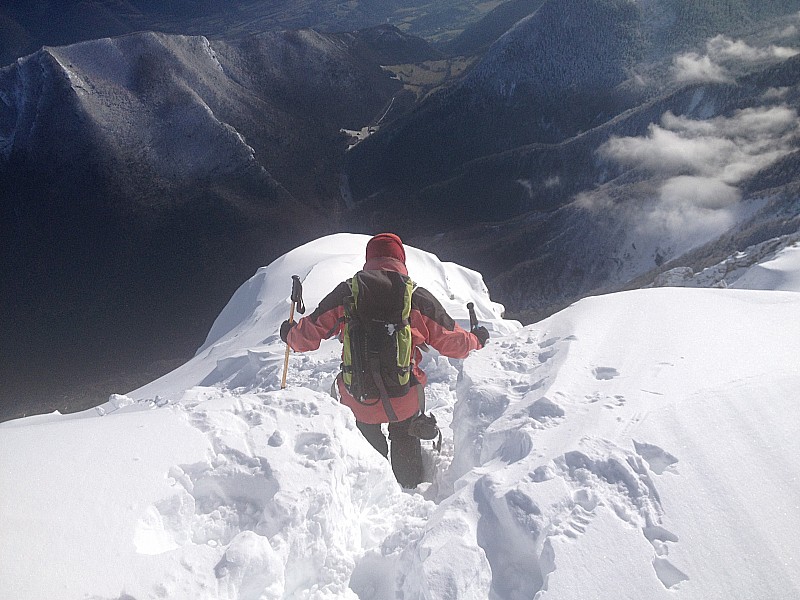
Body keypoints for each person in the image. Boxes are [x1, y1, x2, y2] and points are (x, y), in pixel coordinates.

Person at [280, 233, 489, 488]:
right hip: (404, 395)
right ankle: (409, 485)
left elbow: (307, 337)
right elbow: (454, 343)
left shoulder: (348, 293)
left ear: (369, 259)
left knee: (366, 448)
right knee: (404, 436)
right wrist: (477, 339)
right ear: (400, 260)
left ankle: (373, 487)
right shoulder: (415, 297)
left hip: (358, 396)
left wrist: (289, 333)